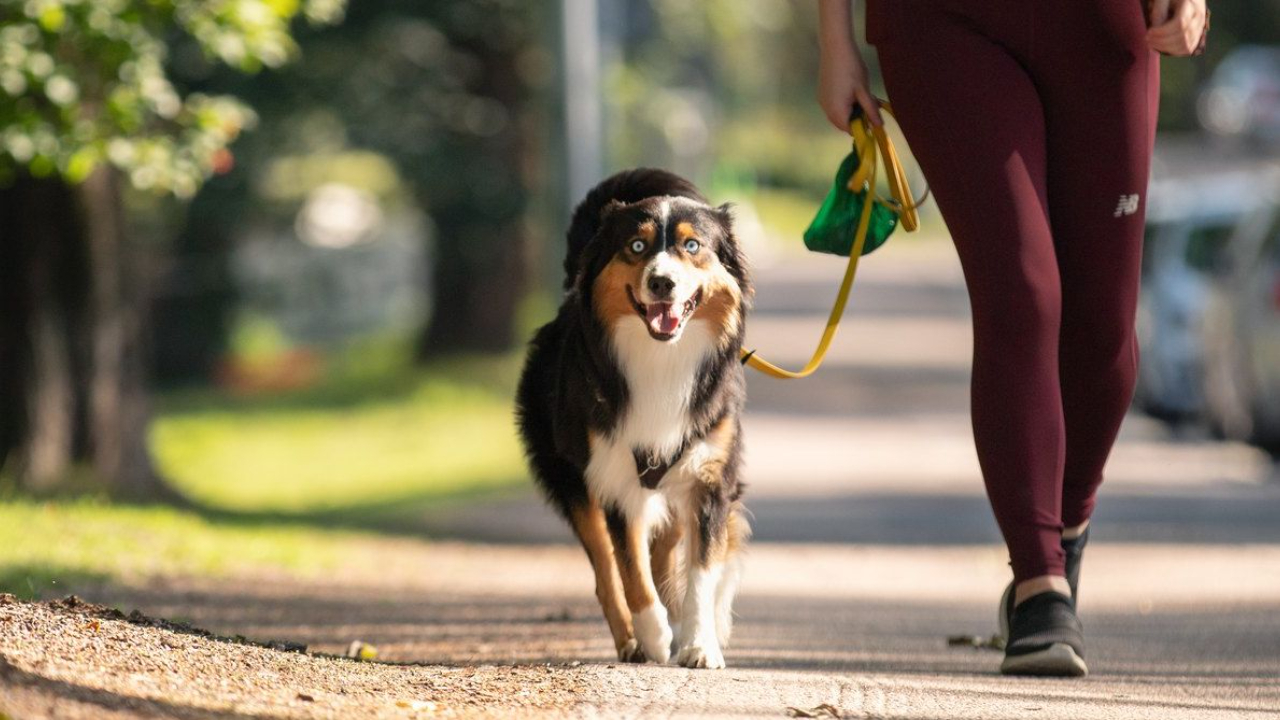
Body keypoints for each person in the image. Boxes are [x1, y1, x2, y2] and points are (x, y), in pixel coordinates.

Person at [816, 0, 1209, 676]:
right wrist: (835, 38)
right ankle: (1040, 585)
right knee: (1022, 293)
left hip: (1104, 22)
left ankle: (1068, 524)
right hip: (940, 23)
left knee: (1104, 325)